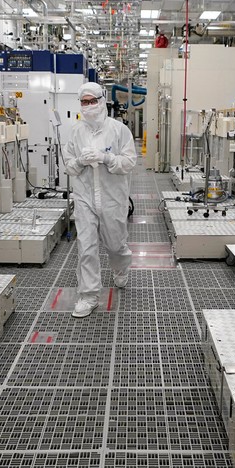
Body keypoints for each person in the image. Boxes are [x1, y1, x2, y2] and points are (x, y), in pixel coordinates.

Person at [63, 82, 137, 318]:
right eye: (84, 102)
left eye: (93, 101)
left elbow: (129, 162)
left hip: (112, 198)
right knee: (86, 247)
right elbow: (69, 166)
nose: (89, 106)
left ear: (102, 101)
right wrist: (80, 162)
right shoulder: (76, 132)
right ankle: (89, 296)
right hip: (84, 197)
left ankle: (120, 268)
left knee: (115, 245)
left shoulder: (119, 130)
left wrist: (106, 158)